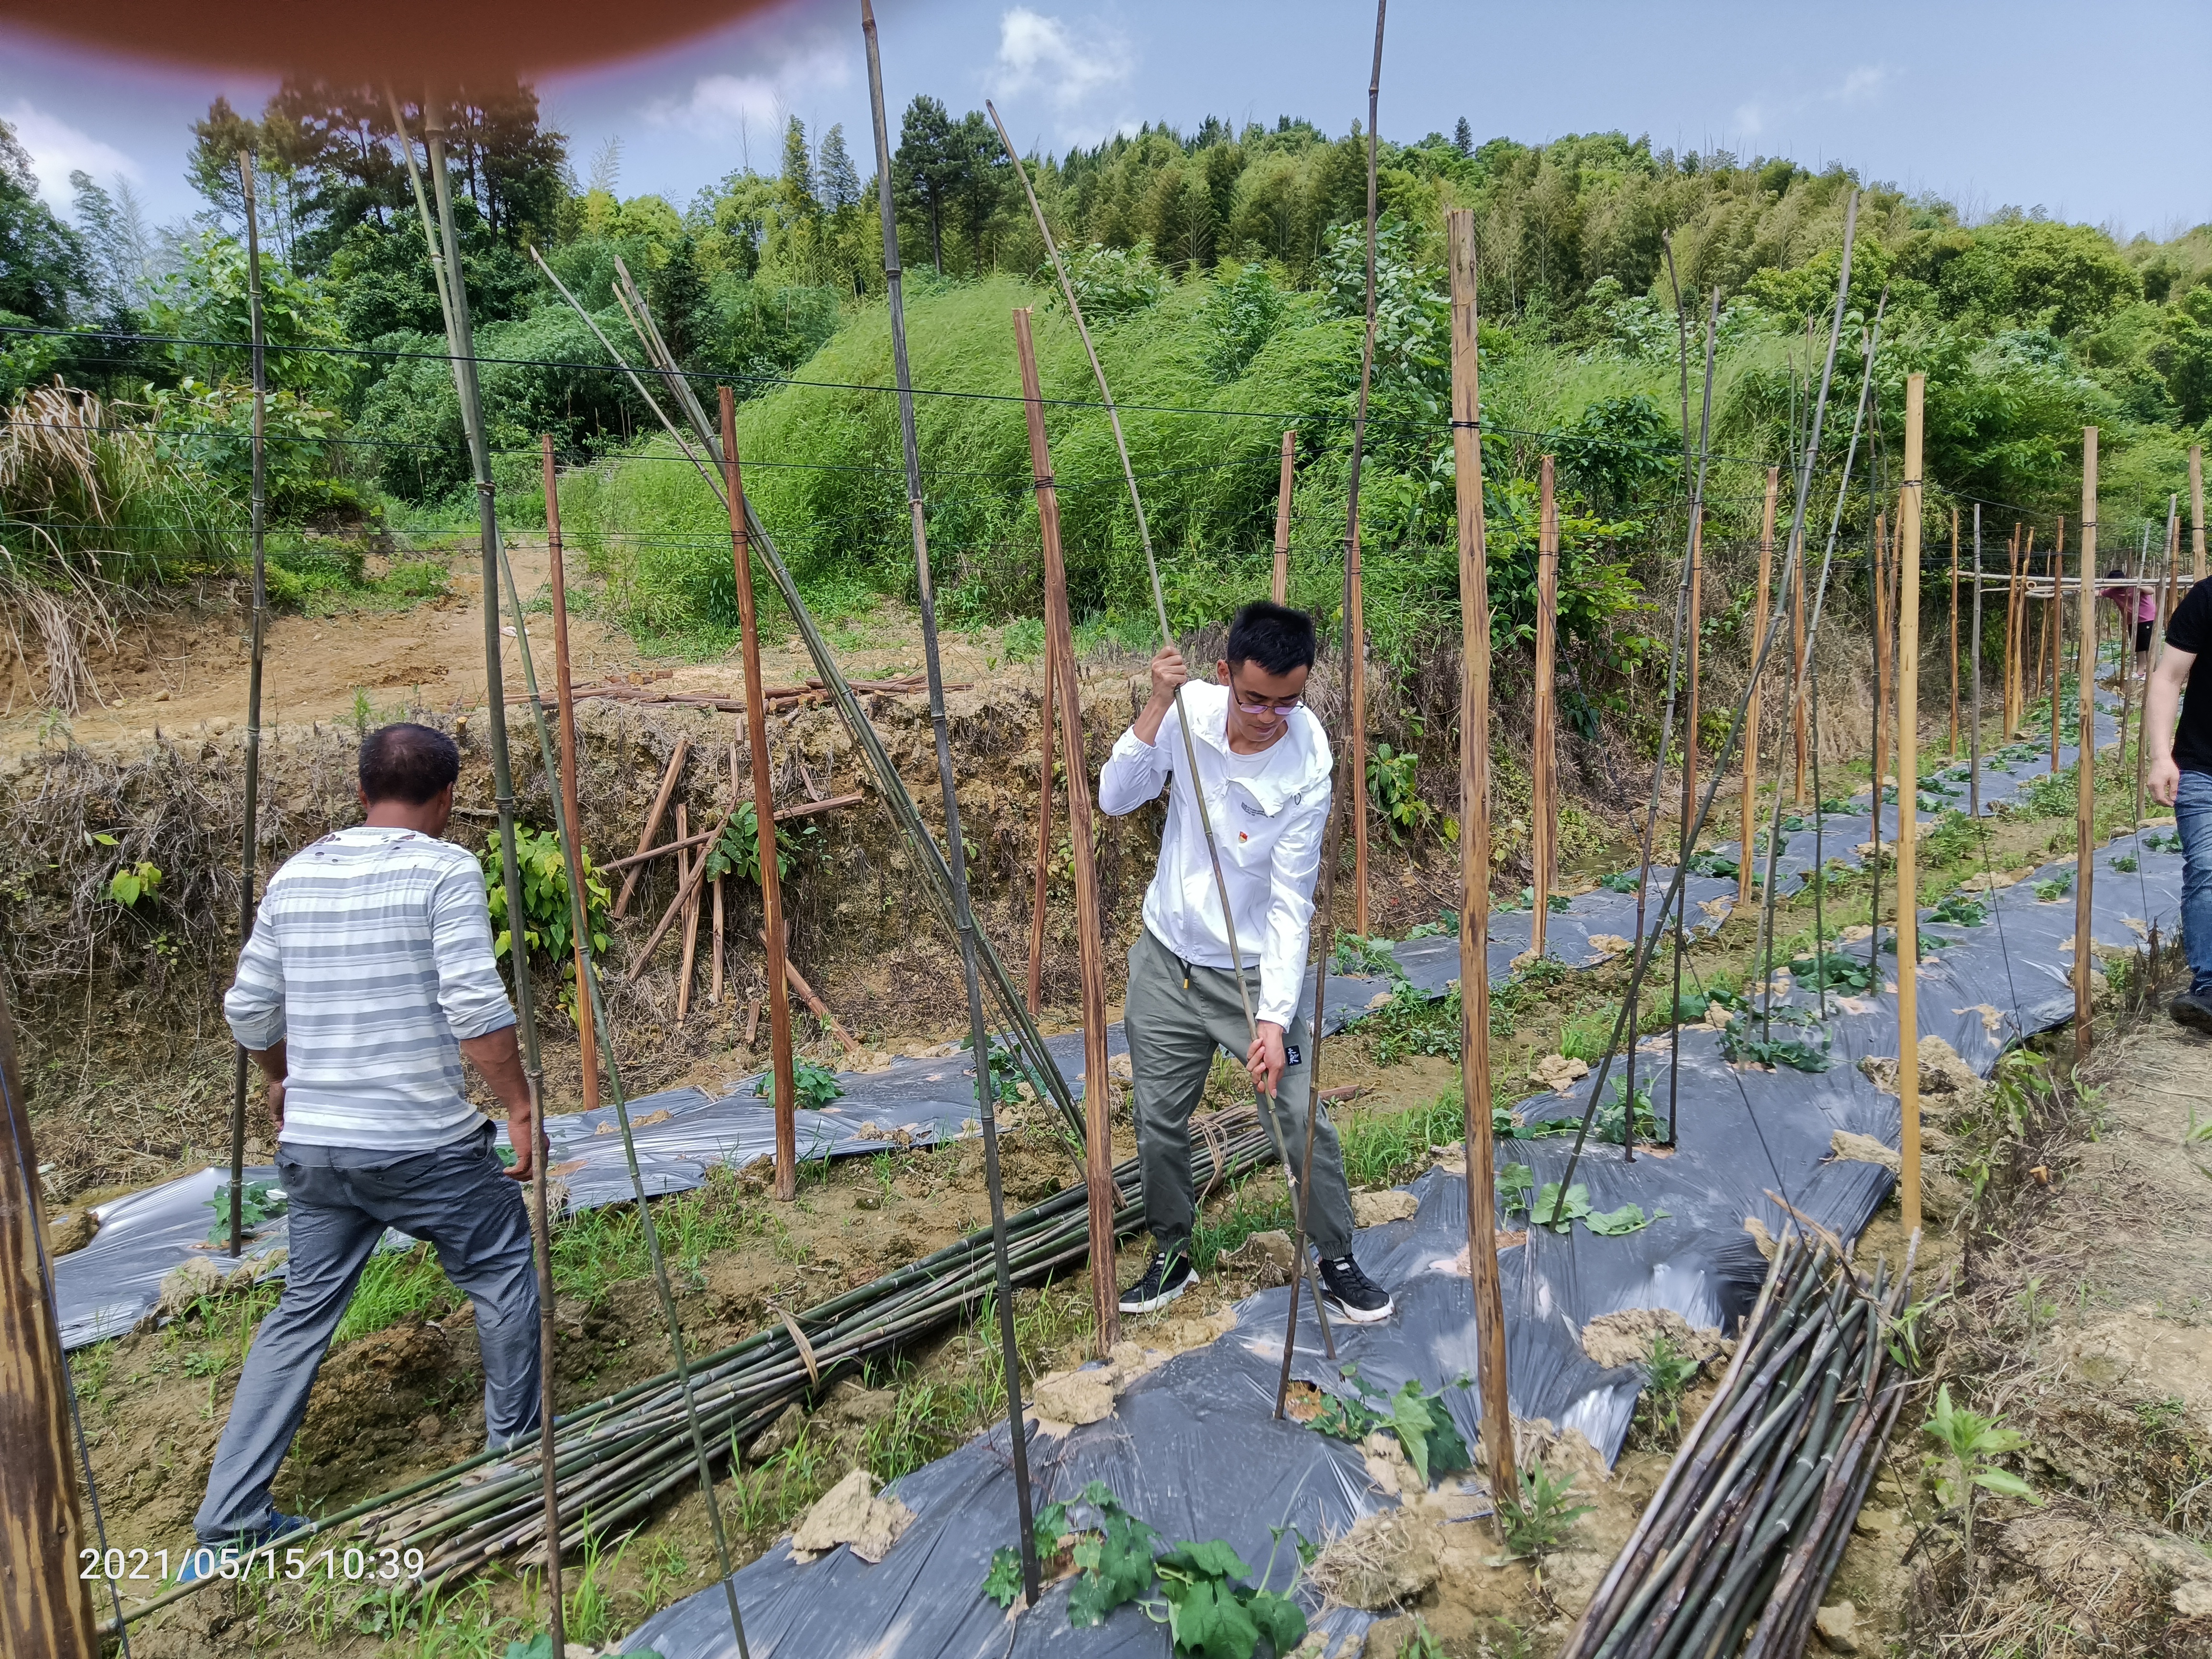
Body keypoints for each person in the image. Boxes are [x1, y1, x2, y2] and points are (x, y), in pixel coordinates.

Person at [188, 723, 543, 1570]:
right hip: (420, 1146)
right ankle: (514, 1465)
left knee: (302, 1311)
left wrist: (282, 1075)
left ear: (359, 793)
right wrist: (521, 1105)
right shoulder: (445, 869)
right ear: (450, 798)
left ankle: (231, 1512)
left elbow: (248, 1010)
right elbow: (471, 1002)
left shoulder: (298, 872)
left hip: (316, 1149)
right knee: (499, 1269)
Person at [1099, 601, 1392, 1323]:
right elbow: (1114, 797)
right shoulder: (1188, 712)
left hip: (1252, 970)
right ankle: (1172, 1253)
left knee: (1296, 1113)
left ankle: (1336, 1255)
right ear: (1225, 672)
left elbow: (1293, 902)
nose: (1268, 716)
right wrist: (1156, 703)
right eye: (1255, 698)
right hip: (1168, 959)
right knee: (1159, 1120)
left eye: (1287, 702)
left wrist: (1271, 1018)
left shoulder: (1308, 761)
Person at [2146, 573, 2212, 1034]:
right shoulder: (2208, 596)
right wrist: (2160, 755)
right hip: (2203, 768)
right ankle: (2208, 988)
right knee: (2208, 869)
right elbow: (2168, 677)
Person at [2098, 566, 2157, 678]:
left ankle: (2151, 672)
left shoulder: (2133, 586)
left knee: (2148, 646)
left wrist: (2139, 584)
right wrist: (2081, 589)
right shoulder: (2112, 591)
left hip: (2147, 617)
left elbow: (2151, 591)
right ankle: (2140, 672)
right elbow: (2099, 593)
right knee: (2138, 647)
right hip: (2132, 621)